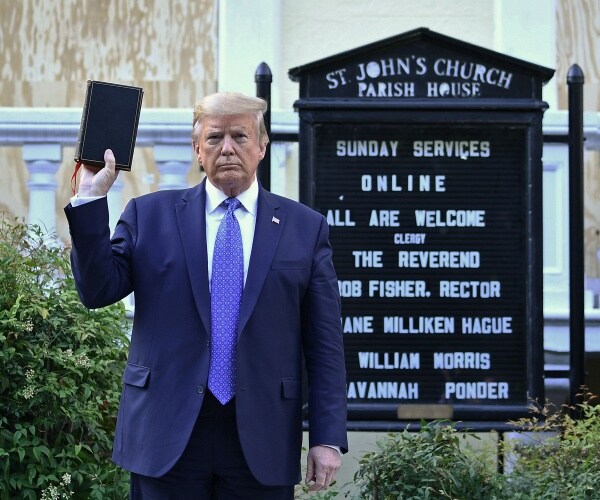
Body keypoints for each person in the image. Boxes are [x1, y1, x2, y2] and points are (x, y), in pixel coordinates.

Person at [64, 91, 348, 499]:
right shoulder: (149, 216)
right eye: (215, 138)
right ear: (198, 149)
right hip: (165, 433)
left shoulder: (305, 228)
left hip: (262, 436)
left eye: (240, 136)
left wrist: (326, 437)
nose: (228, 148)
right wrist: (92, 198)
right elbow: (96, 290)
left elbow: (325, 345)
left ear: (262, 146)